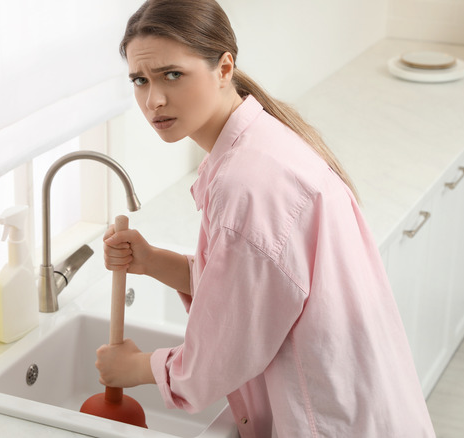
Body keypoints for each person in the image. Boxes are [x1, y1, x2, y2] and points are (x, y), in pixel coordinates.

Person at [95, 0, 436, 437]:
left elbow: (215, 359)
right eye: (140, 80)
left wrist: (135, 366)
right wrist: (153, 261)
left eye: (172, 75)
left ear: (223, 68)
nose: (153, 100)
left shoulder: (249, 183)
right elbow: (255, 291)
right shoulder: (256, 147)